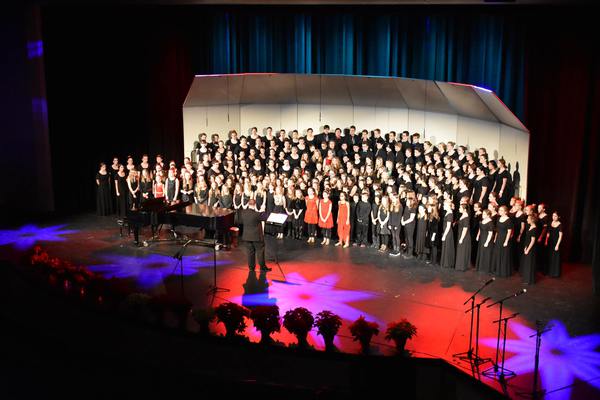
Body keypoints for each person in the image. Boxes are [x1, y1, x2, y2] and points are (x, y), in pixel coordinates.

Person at [240, 198, 271, 272]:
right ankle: (262, 268)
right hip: (257, 237)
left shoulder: (243, 213)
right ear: (255, 205)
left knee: (250, 252)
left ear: (248, 205)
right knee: (260, 252)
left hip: (246, 237)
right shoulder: (257, 214)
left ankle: (251, 268)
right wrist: (262, 210)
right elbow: (266, 217)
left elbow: (240, 221)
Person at [493, 205, 513, 277]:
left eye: (501, 210)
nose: (499, 211)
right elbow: (497, 230)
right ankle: (498, 270)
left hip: (504, 238)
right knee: (498, 253)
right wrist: (495, 238)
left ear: (505, 212)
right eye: (499, 210)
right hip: (498, 238)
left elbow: (509, 232)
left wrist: (506, 241)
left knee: (504, 254)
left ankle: (503, 271)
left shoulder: (508, 220)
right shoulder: (498, 219)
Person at [476, 209, 494, 273]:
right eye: (482, 214)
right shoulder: (483, 220)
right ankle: (480, 267)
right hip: (482, 238)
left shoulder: (490, 223)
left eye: (484, 214)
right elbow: (480, 229)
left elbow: (490, 233)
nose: (482, 215)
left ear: (488, 215)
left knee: (486, 253)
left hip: (486, 239)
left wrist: (487, 242)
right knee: (481, 252)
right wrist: (478, 235)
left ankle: (485, 268)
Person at [521, 214, 537, 284]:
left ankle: (529, 280)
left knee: (530, 264)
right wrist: (525, 247)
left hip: (531, 248)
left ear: (532, 220)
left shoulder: (534, 229)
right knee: (527, 264)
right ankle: (526, 279)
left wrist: (528, 249)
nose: (527, 220)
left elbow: (533, 241)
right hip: (527, 246)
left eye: (528, 219)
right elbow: (527, 239)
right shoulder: (530, 227)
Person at [546, 211, 563, 278]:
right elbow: (548, 233)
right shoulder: (550, 223)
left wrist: (557, 245)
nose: (554, 217)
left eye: (555, 216)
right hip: (550, 242)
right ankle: (549, 272)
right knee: (550, 257)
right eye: (553, 215)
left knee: (555, 258)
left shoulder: (560, 224)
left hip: (556, 242)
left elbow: (560, 236)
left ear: (558, 217)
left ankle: (555, 273)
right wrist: (546, 241)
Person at [455, 203, 471, 271]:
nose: (459, 209)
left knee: (462, 250)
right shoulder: (462, 215)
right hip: (460, 234)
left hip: (464, 236)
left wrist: (461, 238)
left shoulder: (466, 217)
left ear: (464, 210)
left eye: (460, 208)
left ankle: (462, 266)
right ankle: (459, 265)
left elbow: (465, 229)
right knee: (460, 250)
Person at [440, 201, 455, 268]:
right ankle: (444, 262)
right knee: (445, 247)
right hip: (445, 232)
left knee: (447, 247)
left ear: (448, 206)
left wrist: (444, 235)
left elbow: (448, 226)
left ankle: (447, 263)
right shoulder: (447, 213)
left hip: (448, 233)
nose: (443, 206)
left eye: (444, 205)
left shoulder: (450, 214)